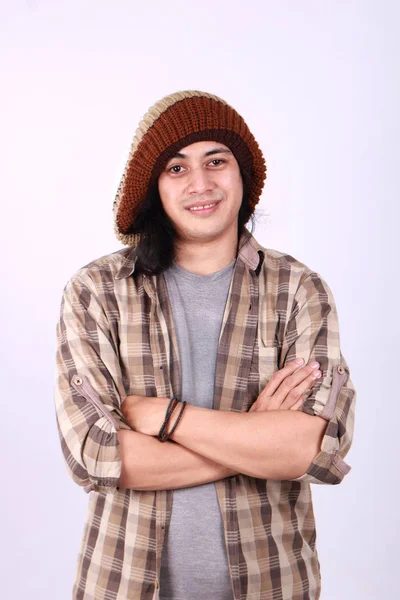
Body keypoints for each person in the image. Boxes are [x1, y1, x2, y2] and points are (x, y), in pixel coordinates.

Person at [54, 90, 356, 600]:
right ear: (154, 187)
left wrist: (168, 418)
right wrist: (258, 438)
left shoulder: (298, 289)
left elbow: (313, 448)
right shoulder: (96, 291)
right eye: (176, 168)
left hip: (272, 584)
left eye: (216, 160)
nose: (200, 183)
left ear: (242, 176)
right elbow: (98, 457)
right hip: (123, 584)